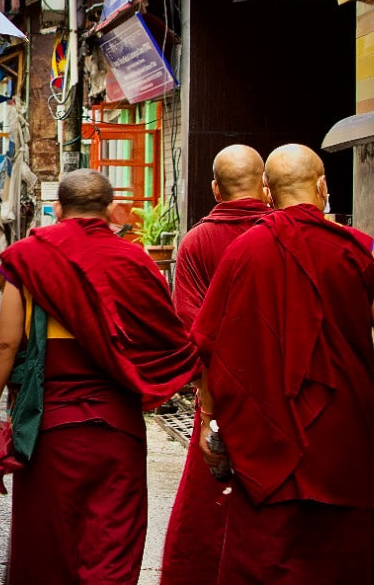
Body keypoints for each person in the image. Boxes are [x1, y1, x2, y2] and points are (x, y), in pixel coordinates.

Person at [193, 144, 374, 584]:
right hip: (343, 427)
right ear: (323, 186)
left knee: (264, 551)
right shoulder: (359, 249)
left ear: (267, 192)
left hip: (266, 429)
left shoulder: (244, 250)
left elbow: (207, 342)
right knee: (341, 555)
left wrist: (211, 418)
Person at [0, 169, 197, 584]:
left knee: (47, 550)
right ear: (111, 210)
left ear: (58, 209)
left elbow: (6, 343)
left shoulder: (29, 257)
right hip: (119, 430)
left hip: (49, 430)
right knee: (111, 549)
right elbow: (167, 340)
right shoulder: (136, 260)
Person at [160, 145, 271, 585]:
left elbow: (191, 328)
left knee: (209, 503)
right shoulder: (283, 234)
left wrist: (207, 405)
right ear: (265, 185)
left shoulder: (197, 242)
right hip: (286, 388)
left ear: (213, 188)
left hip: (223, 392)